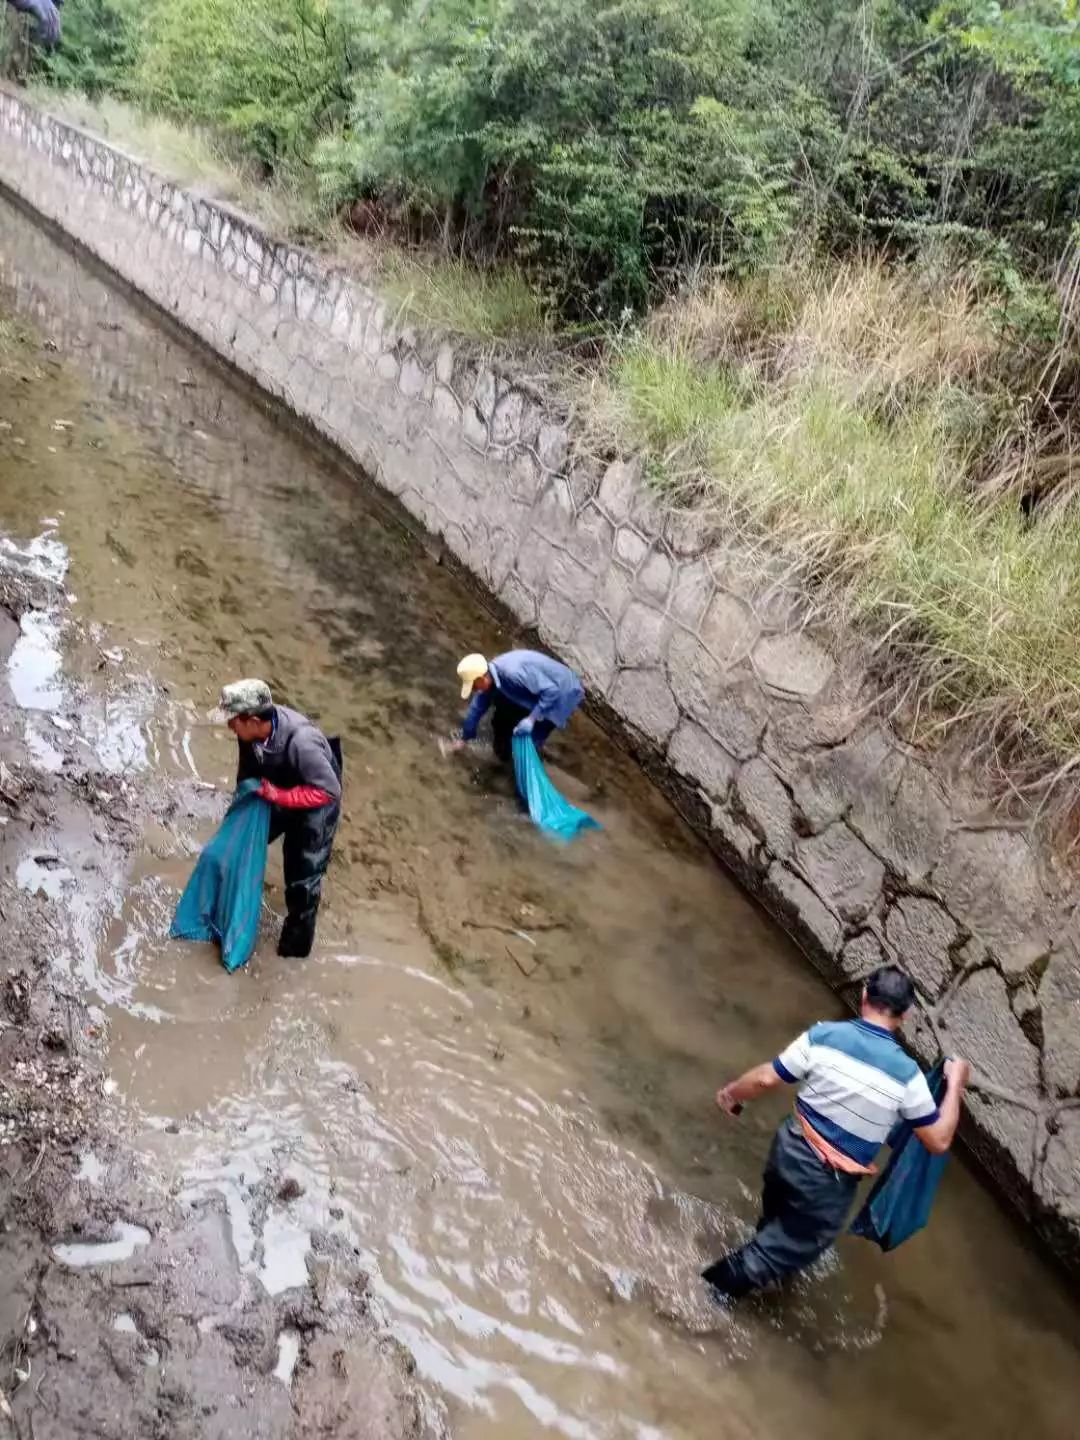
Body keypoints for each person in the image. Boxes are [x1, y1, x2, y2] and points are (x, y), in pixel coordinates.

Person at [702, 964, 970, 1301]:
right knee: (777, 1252)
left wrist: (731, 1095)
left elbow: (766, 1078)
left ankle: (767, 1285)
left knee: (777, 1227)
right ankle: (704, 1294)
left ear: (864, 995)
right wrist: (955, 1085)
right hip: (827, 1180)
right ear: (906, 1015)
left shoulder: (823, 1036)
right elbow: (938, 1140)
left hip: (788, 1149)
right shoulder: (907, 1076)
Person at [214, 679, 342, 959]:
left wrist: (280, 796)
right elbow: (247, 773)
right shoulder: (248, 733)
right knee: (238, 846)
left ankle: (293, 955)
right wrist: (239, 810)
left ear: (253, 720)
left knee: (302, 883)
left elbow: (329, 791)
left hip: (316, 803)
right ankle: (228, 913)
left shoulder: (302, 743)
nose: (229, 726)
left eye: (232, 720)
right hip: (277, 788)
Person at [451, 650, 584, 763]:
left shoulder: (512, 674)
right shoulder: (490, 676)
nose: (474, 690)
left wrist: (531, 719)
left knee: (530, 743)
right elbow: (476, 709)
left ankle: (531, 764)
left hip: (563, 689)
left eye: (474, 687)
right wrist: (464, 738)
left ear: (481, 679)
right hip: (539, 688)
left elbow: (552, 691)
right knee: (504, 718)